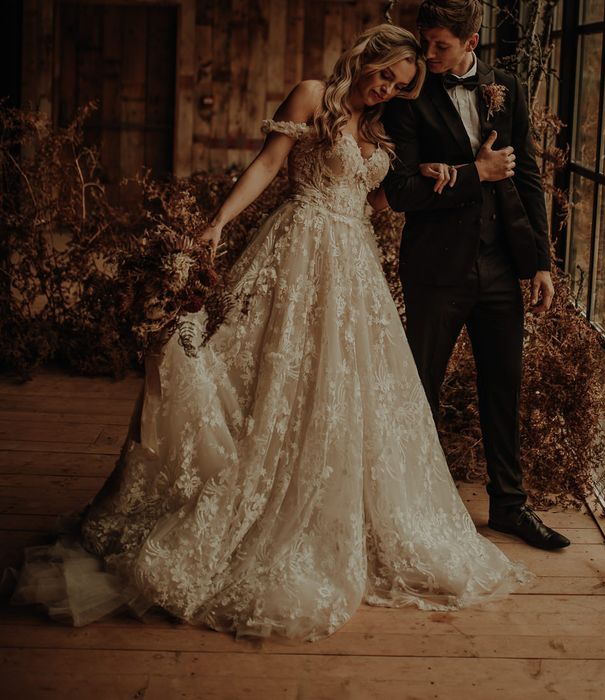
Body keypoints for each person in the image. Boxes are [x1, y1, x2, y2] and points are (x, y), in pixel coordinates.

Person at [10, 24, 528, 643]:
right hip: (298, 249)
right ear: (365, 57)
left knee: (348, 389)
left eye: (398, 85)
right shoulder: (312, 94)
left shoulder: (384, 127)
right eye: (383, 74)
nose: (385, 89)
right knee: (265, 372)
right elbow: (267, 165)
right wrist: (218, 223)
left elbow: (380, 200)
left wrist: (443, 173)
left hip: (354, 264)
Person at [382, 0, 570, 550]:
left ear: (472, 39)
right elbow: (400, 193)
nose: (429, 53)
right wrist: (475, 173)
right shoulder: (408, 96)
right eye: (425, 41)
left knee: (502, 390)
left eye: (440, 44)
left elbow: (527, 172)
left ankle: (510, 507)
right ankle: (411, 506)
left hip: (500, 267)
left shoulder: (505, 85)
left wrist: (540, 262)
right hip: (435, 269)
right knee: (421, 390)